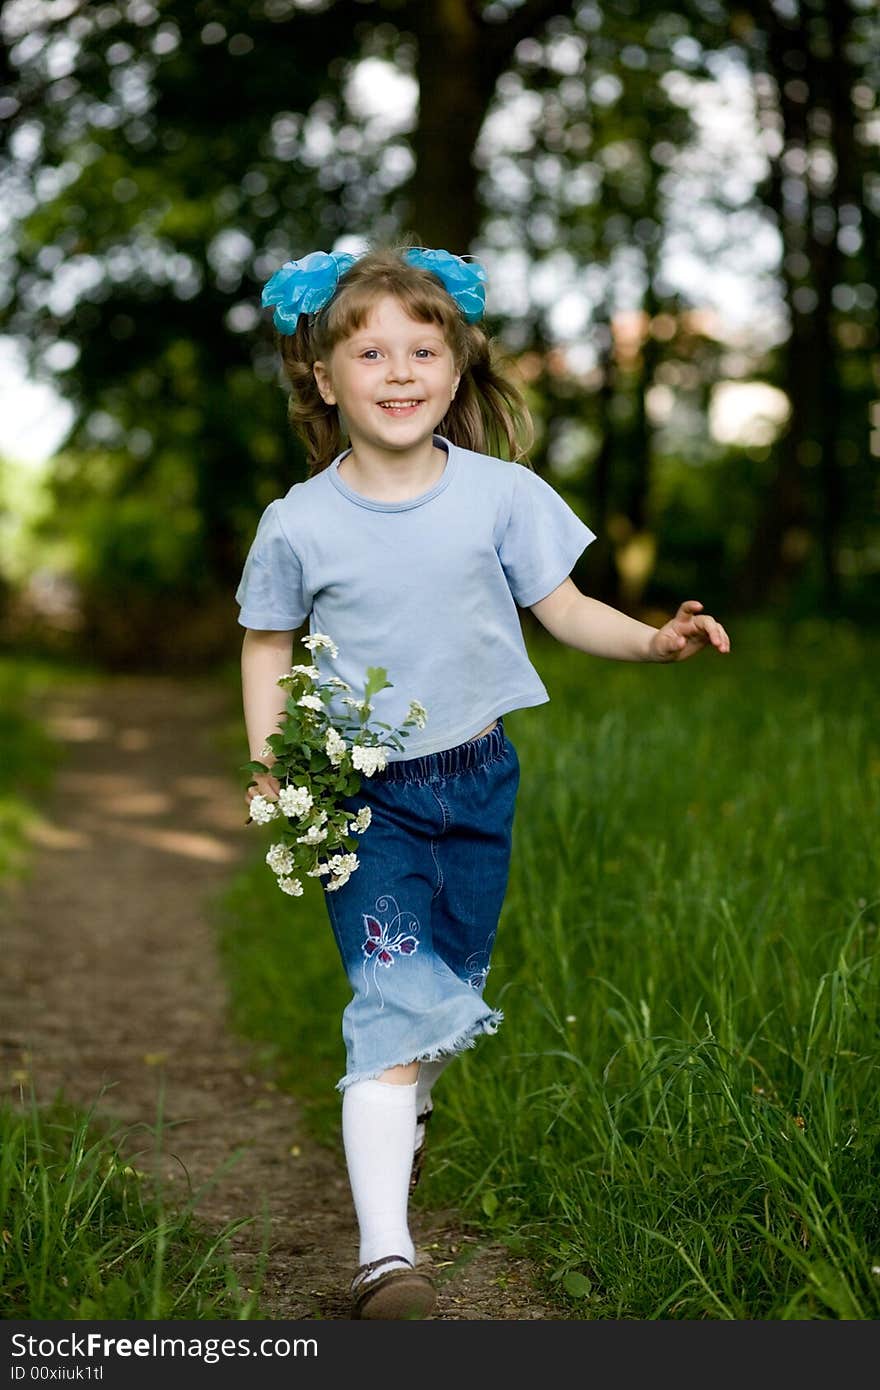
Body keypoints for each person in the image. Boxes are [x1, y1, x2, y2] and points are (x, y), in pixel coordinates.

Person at [235, 244, 730, 1320]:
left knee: (447, 995)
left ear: (456, 372)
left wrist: (654, 643)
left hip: (479, 778)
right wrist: (274, 760)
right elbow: (266, 643)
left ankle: (403, 1105)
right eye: (370, 351)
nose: (400, 370)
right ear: (325, 378)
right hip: (358, 799)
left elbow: (564, 608)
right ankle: (384, 1261)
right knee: (393, 1001)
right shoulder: (299, 523)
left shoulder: (503, 496)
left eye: (424, 348)